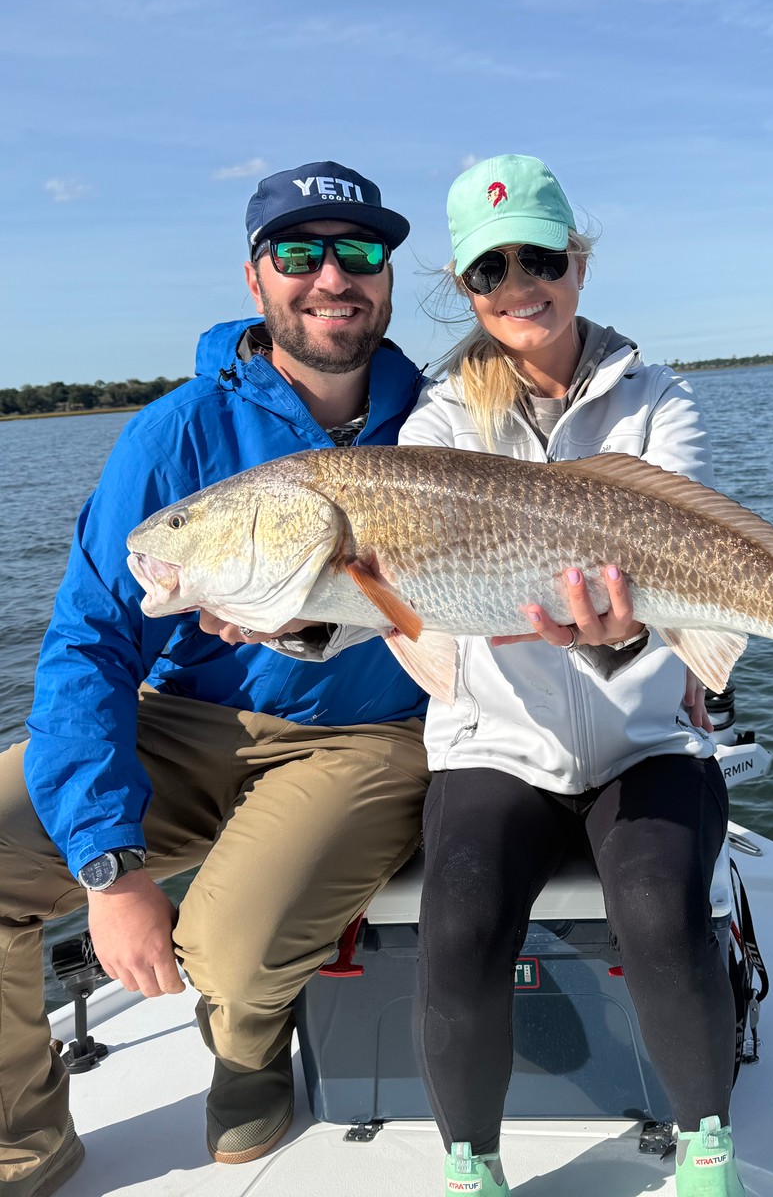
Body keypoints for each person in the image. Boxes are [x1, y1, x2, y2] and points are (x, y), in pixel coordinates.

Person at [0, 162, 431, 1195]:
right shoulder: (175, 433)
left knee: (229, 950)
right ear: (255, 280)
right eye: (299, 251)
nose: (333, 276)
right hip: (187, 719)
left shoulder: (444, 421)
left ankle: (247, 1052)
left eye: (360, 251)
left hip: (367, 738)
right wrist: (107, 861)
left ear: (386, 276)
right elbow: (91, 644)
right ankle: (22, 1142)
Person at [400, 155, 746, 1197]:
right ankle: (472, 1165)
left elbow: (690, 554)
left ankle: (707, 1149)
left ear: (577, 262)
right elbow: (411, 599)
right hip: (495, 744)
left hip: (642, 738)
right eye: (487, 270)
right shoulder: (439, 420)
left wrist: (630, 642)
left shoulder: (658, 397)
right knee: (454, 921)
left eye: (537, 256)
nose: (516, 284)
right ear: (465, 289)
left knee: (658, 904)